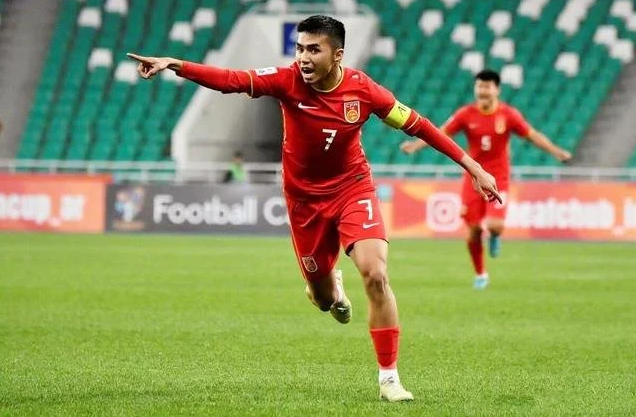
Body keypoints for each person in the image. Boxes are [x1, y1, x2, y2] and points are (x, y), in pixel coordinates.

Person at [128, 15, 502, 402]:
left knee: (376, 274)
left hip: (352, 189)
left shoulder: (364, 91)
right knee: (323, 300)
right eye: (299, 49)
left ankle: (389, 378)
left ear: (337, 54)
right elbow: (231, 79)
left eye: (313, 49)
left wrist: (472, 166)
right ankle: (332, 289)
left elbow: (418, 125)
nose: (303, 58)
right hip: (304, 203)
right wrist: (175, 64)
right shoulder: (286, 80)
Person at [400, 69, 572, 290]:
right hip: (473, 176)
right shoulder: (465, 114)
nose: (482, 90)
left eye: (487, 86)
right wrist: (415, 146)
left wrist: (556, 152)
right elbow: (440, 133)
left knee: (495, 225)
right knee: (473, 230)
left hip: (499, 177)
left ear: (497, 90)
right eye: (479, 86)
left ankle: (495, 236)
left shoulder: (508, 115)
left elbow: (533, 135)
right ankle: (481, 273)